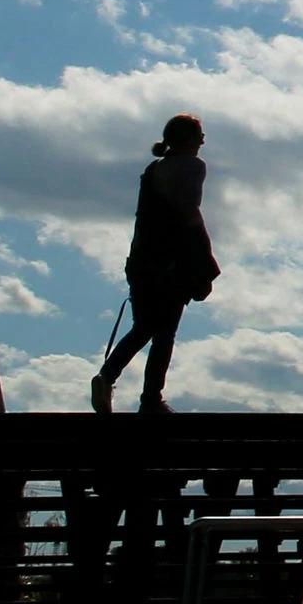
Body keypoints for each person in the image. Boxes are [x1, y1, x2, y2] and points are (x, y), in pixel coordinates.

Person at [94, 114, 218, 412]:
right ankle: (150, 399)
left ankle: (107, 376)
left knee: (144, 327)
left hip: (140, 262)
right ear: (188, 140)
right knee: (165, 334)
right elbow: (190, 214)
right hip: (172, 263)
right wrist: (205, 262)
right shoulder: (192, 167)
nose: (203, 141)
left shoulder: (152, 171)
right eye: (199, 135)